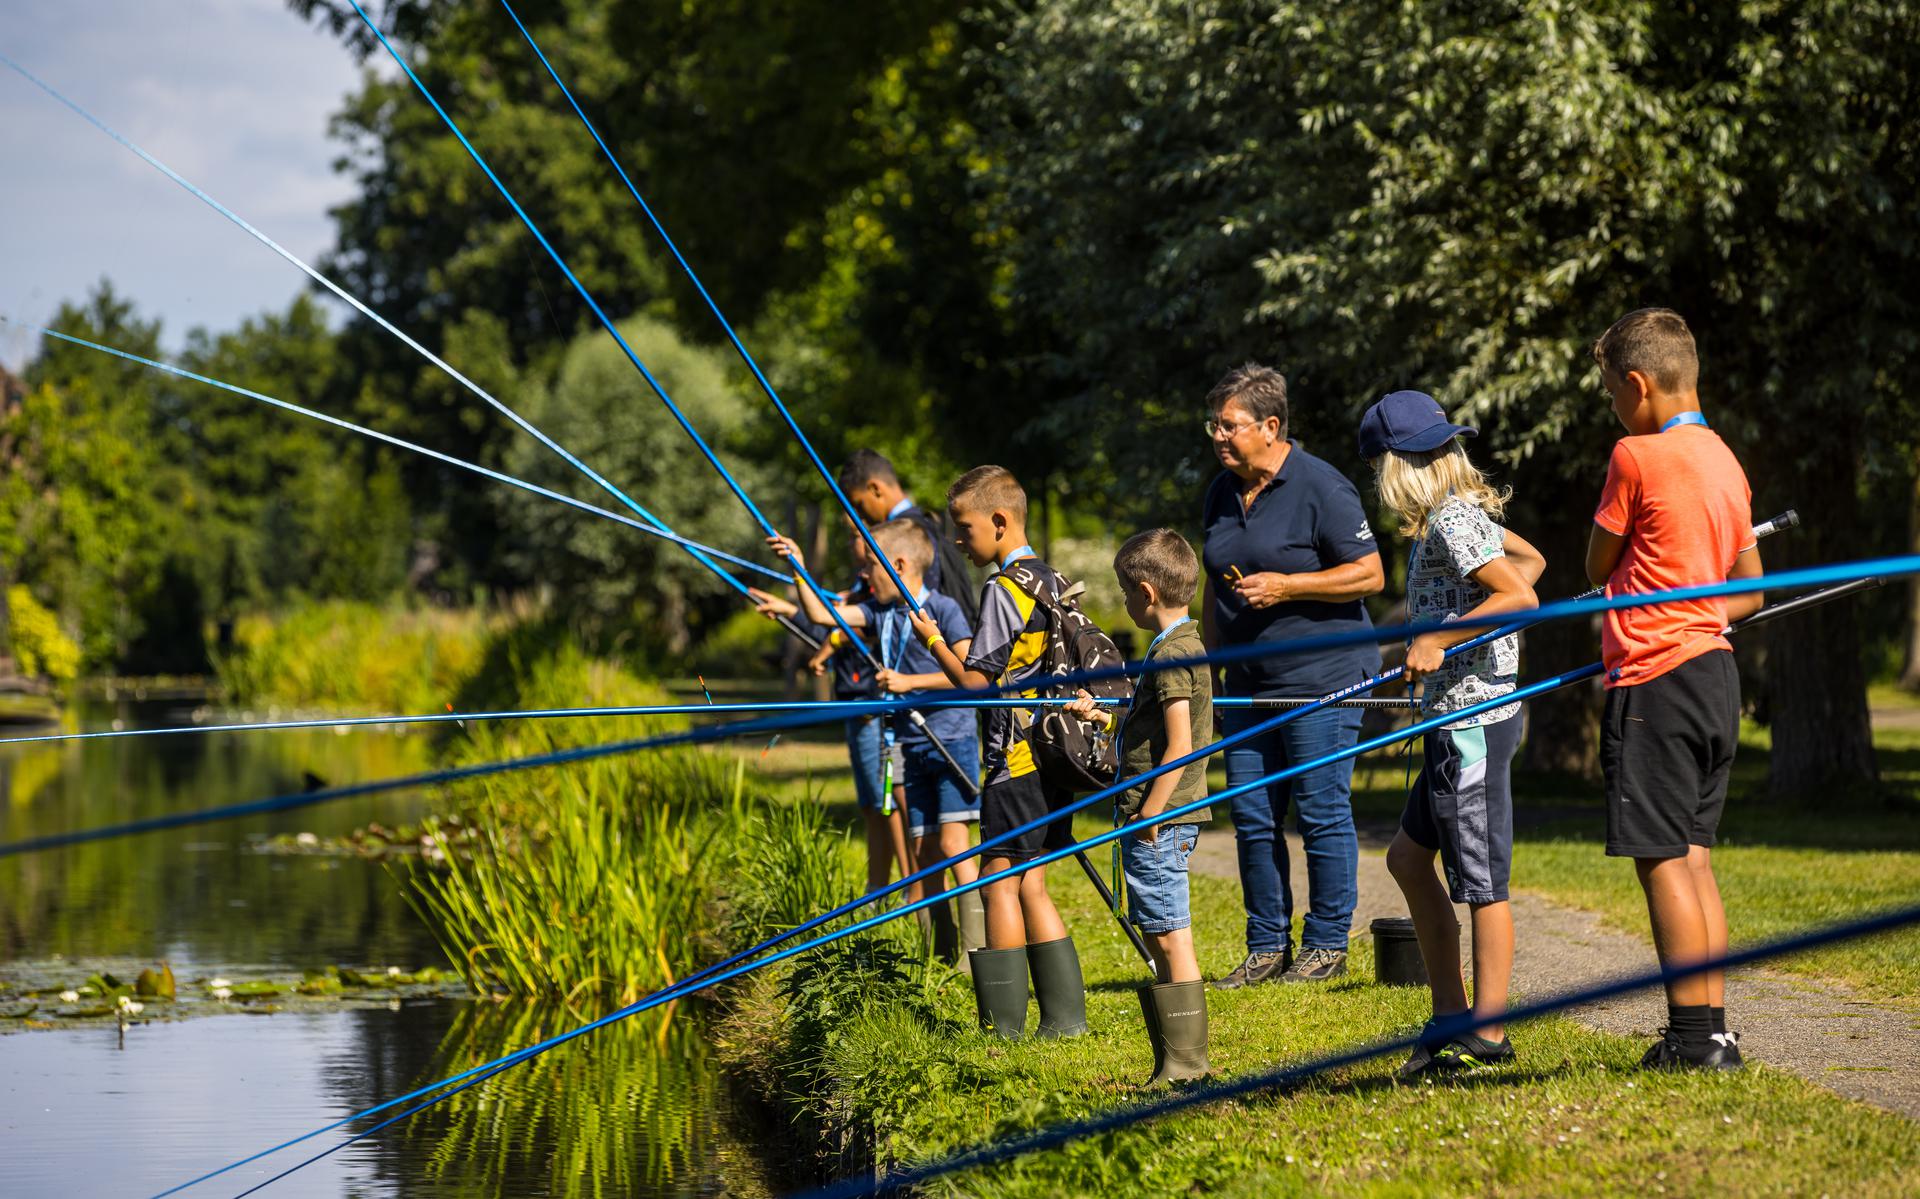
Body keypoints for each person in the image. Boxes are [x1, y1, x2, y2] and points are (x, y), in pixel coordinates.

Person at [1586, 308, 1761, 1071]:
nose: (1614, 410)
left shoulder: (1635, 455)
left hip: (1654, 677)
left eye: (1611, 393)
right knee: (1692, 856)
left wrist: (1656, 603)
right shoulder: (1727, 460)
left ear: (1638, 385)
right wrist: (1693, 603)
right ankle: (1713, 1030)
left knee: (1660, 859)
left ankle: (1691, 1040)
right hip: (1716, 673)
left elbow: (1597, 565)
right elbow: (1751, 591)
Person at [1355, 391, 1545, 1078]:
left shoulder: (1453, 522)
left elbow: (1520, 596)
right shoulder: (1458, 518)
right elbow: (1533, 562)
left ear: (1395, 468)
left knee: (1482, 880)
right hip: (1450, 716)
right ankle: (1449, 1011)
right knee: (1407, 858)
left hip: (1470, 721)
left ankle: (1486, 1034)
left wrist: (1440, 634)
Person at [1199, 363, 1385, 987]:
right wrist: (1209, 658)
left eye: (1230, 426)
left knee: (1320, 812)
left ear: (1271, 426)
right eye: (1214, 426)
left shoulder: (1321, 487)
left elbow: (1368, 574)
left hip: (1322, 675)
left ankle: (1327, 943)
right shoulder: (1220, 492)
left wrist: (1289, 586)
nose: (1218, 438)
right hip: (1246, 683)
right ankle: (1265, 946)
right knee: (1250, 814)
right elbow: (1212, 581)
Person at [910, 465, 1088, 1039]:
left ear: (999, 521)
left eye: (963, 529)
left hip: (1015, 757)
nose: (958, 542)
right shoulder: (1052, 579)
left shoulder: (1002, 588)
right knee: (1031, 878)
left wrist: (933, 640)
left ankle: (1004, 1029)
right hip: (1054, 753)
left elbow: (976, 685)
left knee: (997, 879)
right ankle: (1064, 1020)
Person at [766, 519, 987, 966]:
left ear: (899, 565)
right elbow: (822, 615)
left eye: (871, 567)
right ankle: (936, 952)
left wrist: (908, 682)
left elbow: (968, 675)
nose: (865, 577)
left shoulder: (943, 610)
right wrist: (797, 568)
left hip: (950, 738)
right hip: (907, 743)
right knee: (923, 849)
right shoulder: (880, 612)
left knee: (952, 845)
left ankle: (975, 952)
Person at [1067, 529, 1214, 1085]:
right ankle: (1177, 1059)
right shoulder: (1182, 642)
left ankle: (1187, 1063)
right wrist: (1105, 718)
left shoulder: (1172, 653)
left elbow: (1180, 743)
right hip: (1162, 813)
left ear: (1146, 593)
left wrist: (1150, 813)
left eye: (1125, 592)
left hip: (1161, 816)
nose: (1124, 602)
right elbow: (1155, 728)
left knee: (1171, 932)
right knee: (1158, 926)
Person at [749, 529, 909, 893]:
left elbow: (844, 628)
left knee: (887, 805)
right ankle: (878, 890)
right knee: (872, 807)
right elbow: (830, 620)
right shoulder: (860, 584)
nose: (852, 543)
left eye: (855, 535)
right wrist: (790, 608)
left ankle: (909, 892)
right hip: (855, 706)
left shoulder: (878, 585)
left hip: (872, 709)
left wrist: (825, 648)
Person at [839, 448, 980, 625]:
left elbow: (922, 604)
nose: (859, 515)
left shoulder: (908, 533)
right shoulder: (925, 524)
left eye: (859, 504)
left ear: (875, 489)